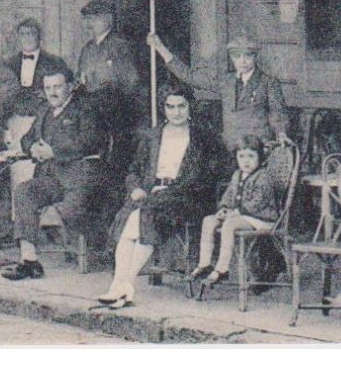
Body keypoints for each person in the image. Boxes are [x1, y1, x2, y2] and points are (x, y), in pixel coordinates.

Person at [96, 86, 223, 309]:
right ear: (163, 108)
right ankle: (122, 287)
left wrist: (175, 190)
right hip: (150, 194)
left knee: (141, 217)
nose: (176, 112)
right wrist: (135, 187)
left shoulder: (202, 137)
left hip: (185, 198)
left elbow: (207, 174)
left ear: (190, 106)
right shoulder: (152, 136)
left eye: (181, 106)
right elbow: (134, 169)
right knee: (131, 218)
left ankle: (122, 284)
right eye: (170, 106)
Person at [1, 64, 110, 281]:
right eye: (48, 87)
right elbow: (28, 138)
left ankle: (90, 252)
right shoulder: (44, 111)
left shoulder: (85, 110)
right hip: (49, 178)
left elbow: (92, 141)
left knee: (72, 213)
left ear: (70, 87)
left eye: (58, 86)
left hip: (78, 179)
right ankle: (29, 261)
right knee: (24, 191)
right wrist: (31, 147)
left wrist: (54, 151)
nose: (53, 92)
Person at [147, 32, 289, 149]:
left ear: (255, 56)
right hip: (229, 147)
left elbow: (278, 112)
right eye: (237, 56)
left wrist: (281, 133)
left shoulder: (269, 82)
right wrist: (160, 47)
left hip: (257, 148)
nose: (242, 61)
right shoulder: (225, 81)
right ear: (232, 58)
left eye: (247, 55)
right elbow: (190, 77)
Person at [0, 19, 69, 189]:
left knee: (36, 165)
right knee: (14, 168)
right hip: (13, 122)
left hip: (41, 122)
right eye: (23, 34)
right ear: (18, 37)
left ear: (39, 36)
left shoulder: (55, 62)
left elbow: (66, 93)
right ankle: (17, 211)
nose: (27, 38)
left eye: (31, 33)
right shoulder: (8, 64)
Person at [190, 135, 282, 285]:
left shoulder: (263, 177)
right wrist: (224, 209)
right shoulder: (236, 175)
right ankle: (204, 263)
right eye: (242, 156)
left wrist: (236, 213)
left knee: (230, 225)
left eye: (251, 156)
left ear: (260, 157)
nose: (246, 161)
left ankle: (222, 268)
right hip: (239, 216)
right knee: (208, 220)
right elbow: (229, 195)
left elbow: (258, 202)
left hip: (261, 219)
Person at [74, 5, 141, 128]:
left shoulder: (120, 45)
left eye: (93, 19)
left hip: (115, 111)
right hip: (92, 111)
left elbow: (131, 81)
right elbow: (80, 78)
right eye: (86, 19)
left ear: (108, 19)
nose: (88, 24)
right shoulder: (87, 48)